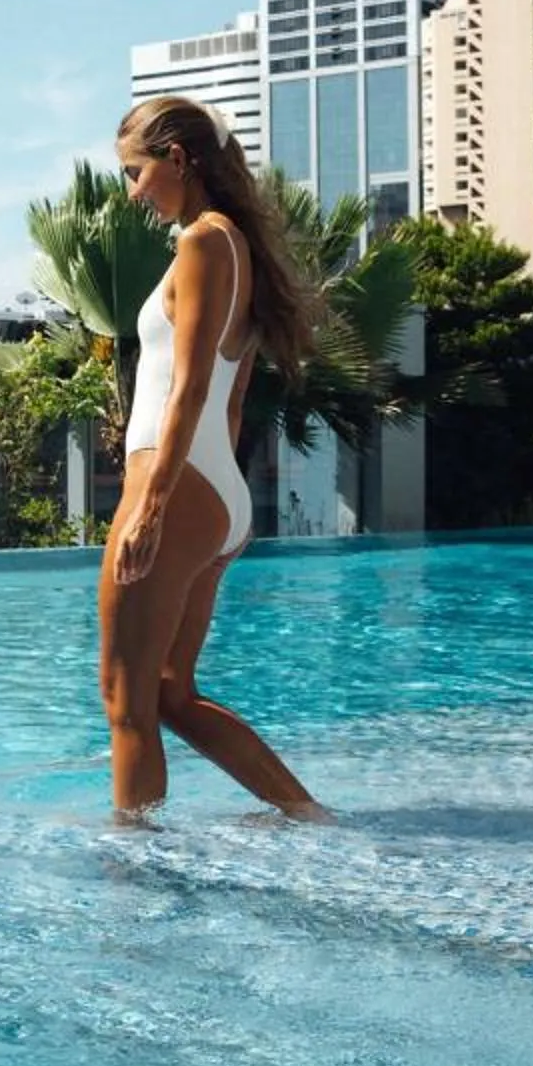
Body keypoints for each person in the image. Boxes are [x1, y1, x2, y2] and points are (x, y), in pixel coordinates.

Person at [98, 95, 331, 823]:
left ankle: (133, 873)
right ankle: (308, 816)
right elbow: (228, 405)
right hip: (213, 489)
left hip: (175, 490)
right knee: (171, 696)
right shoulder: (238, 247)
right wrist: (217, 503)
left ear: (177, 159)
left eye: (135, 173)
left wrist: (156, 507)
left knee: (126, 701)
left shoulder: (203, 242)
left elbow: (192, 386)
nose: (132, 193)